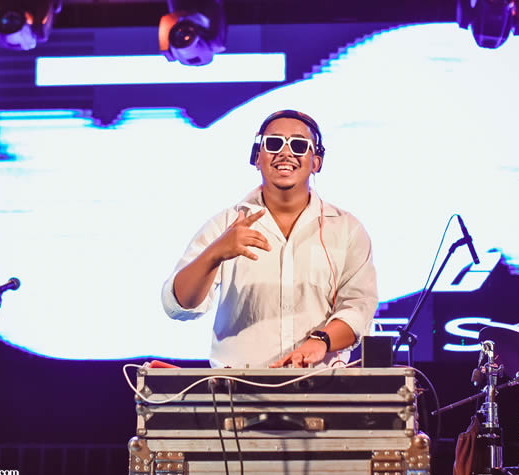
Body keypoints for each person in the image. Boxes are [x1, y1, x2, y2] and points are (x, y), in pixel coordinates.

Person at [161, 110, 378, 368]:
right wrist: (214, 254)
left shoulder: (346, 229)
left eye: (299, 145)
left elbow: (359, 307)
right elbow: (178, 306)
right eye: (274, 143)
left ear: (316, 162)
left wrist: (321, 340)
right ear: (257, 157)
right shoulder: (225, 225)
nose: (285, 153)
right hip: (237, 387)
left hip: (321, 385)